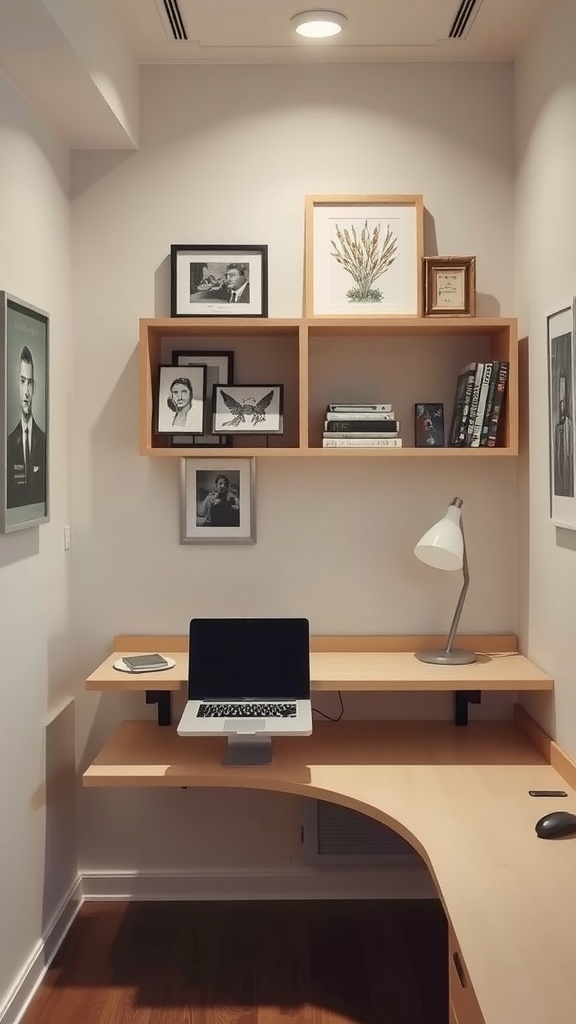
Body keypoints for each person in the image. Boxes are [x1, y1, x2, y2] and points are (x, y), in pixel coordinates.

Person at [6, 345, 46, 509]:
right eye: (23, 381)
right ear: (18, 385)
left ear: (34, 387)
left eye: (29, 382)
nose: (26, 391)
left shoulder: (44, 441)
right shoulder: (8, 444)